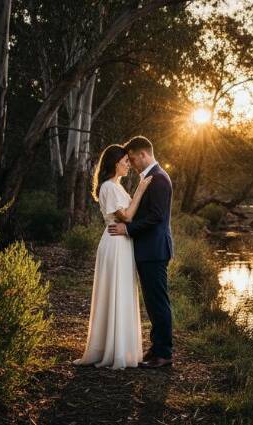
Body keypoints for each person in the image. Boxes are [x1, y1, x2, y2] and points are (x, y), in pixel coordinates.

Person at [74, 144, 153, 369]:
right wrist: (140, 190)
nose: (129, 164)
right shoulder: (108, 187)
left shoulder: (117, 186)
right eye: (125, 161)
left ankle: (122, 347)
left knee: (123, 292)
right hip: (115, 244)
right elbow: (126, 216)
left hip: (123, 244)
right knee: (114, 292)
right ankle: (110, 349)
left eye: (129, 160)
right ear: (115, 162)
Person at [107, 136, 174, 369]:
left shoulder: (159, 180)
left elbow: (155, 217)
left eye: (133, 158)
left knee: (158, 303)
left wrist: (128, 228)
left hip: (155, 250)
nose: (132, 164)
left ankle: (164, 354)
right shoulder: (150, 178)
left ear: (143, 154)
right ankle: (156, 348)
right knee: (153, 302)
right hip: (148, 250)